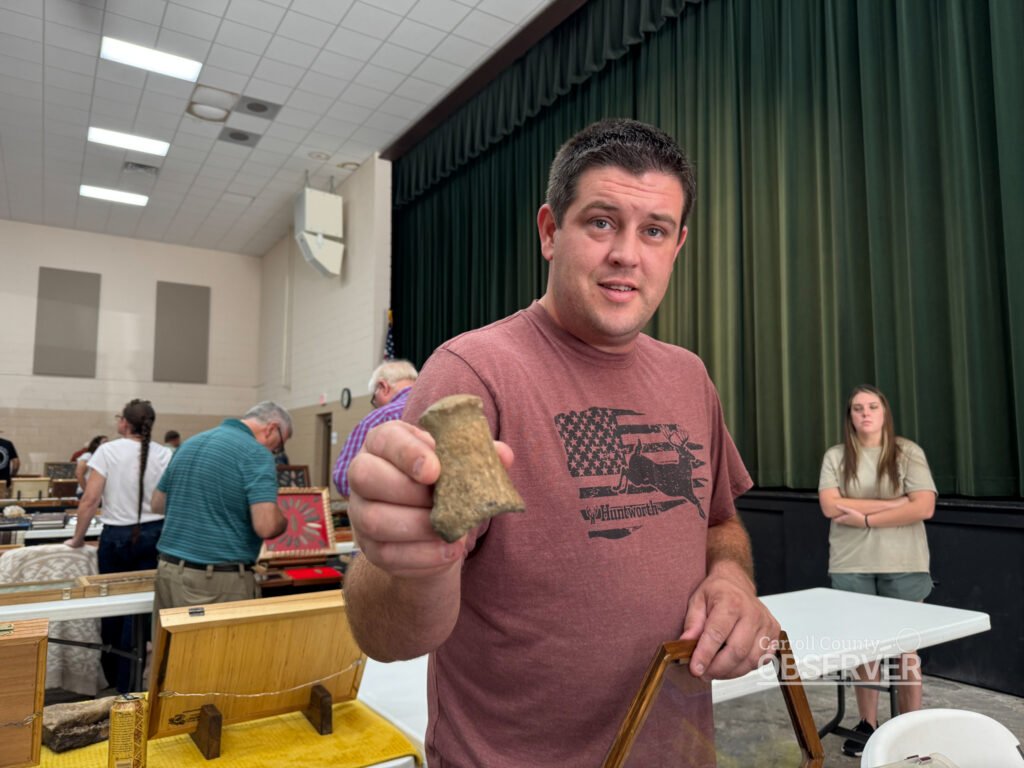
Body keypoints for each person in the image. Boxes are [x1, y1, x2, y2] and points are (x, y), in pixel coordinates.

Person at [344, 119, 779, 767]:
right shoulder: (474, 372)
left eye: (653, 230)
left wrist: (732, 578)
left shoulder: (689, 377)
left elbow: (720, 522)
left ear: (677, 245)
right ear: (551, 231)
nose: (627, 254)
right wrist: (402, 562)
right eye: (602, 222)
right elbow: (389, 636)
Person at [818, 384, 937, 757]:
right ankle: (868, 723)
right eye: (857, 408)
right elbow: (829, 506)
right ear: (849, 416)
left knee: (906, 649)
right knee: (864, 649)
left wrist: (867, 517)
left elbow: (923, 507)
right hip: (851, 563)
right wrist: (895, 503)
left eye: (872, 406)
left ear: (884, 412)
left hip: (903, 562)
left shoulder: (907, 452)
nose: (865, 413)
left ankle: (910, 727)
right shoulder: (836, 456)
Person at [67, 400, 172, 691]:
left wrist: (77, 539)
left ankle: (117, 676)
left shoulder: (108, 450)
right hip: (155, 534)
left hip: (117, 537)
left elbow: (90, 500)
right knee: (142, 608)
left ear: (124, 423)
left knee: (112, 605)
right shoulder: (164, 453)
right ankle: (139, 673)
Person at [150, 401, 290, 614]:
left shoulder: (189, 444)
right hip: (217, 582)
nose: (274, 452)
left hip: (168, 573)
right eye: (278, 445)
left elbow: (158, 504)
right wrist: (282, 519)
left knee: (172, 648)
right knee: (222, 648)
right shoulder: (256, 454)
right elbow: (266, 526)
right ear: (271, 428)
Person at [332, 360, 418, 497]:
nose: (376, 405)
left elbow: (344, 479)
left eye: (374, 399)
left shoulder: (378, 419)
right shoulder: (439, 408)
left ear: (383, 387)